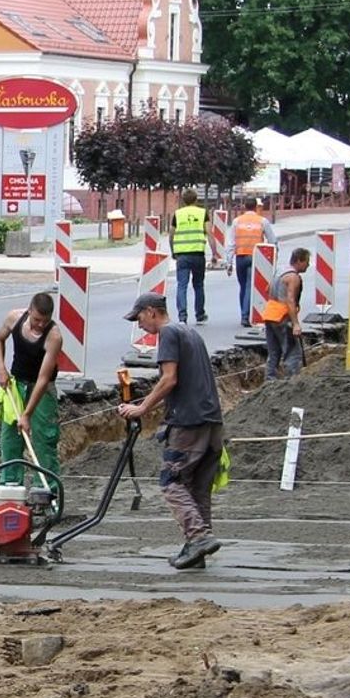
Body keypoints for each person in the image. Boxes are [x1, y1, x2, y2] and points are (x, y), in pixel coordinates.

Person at [118, 292, 224, 570]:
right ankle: (196, 549)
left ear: (152, 312)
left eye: (139, 317)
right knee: (198, 487)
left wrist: (141, 409)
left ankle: (198, 537)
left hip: (188, 423)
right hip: (212, 422)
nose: (139, 324)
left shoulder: (168, 334)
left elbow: (169, 379)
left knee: (171, 481)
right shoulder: (190, 333)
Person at [0, 292, 63, 491]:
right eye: (37, 319)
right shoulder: (14, 318)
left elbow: (43, 379)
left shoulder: (54, 336)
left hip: (41, 390)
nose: (40, 324)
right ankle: (11, 487)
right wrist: (1, 368)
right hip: (15, 386)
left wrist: (27, 414)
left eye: (45, 321)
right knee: (10, 439)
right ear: (29, 310)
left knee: (43, 439)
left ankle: (47, 491)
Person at [225, 197, 277, 327]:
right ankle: (245, 315)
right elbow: (272, 241)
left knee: (243, 286)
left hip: (241, 257)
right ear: (256, 207)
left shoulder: (237, 221)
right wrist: (273, 258)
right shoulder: (262, 221)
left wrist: (229, 262)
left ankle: (243, 313)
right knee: (249, 286)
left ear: (244, 207)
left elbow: (231, 243)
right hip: (256, 257)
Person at [262, 247, 311, 379]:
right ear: (299, 260)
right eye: (307, 261)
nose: (308, 265)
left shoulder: (280, 271)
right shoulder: (293, 277)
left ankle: (269, 382)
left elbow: (268, 289)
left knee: (274, 353)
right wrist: (295, 324)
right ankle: (292, 384)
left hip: (270, 315)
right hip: (282, 318)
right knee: (292, 353)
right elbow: (290, 300)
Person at [169, 187, 211, 325]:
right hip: (198, 254)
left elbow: (171, 234)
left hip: (182, 255)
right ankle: (200, 314)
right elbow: (209, 232)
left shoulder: (178, 214)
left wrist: (173, 251)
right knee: (198, 285)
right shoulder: (202, 213)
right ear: (196, 199)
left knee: (182, 285)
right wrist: (216, 253)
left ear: (183, 200)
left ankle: (182, 317)